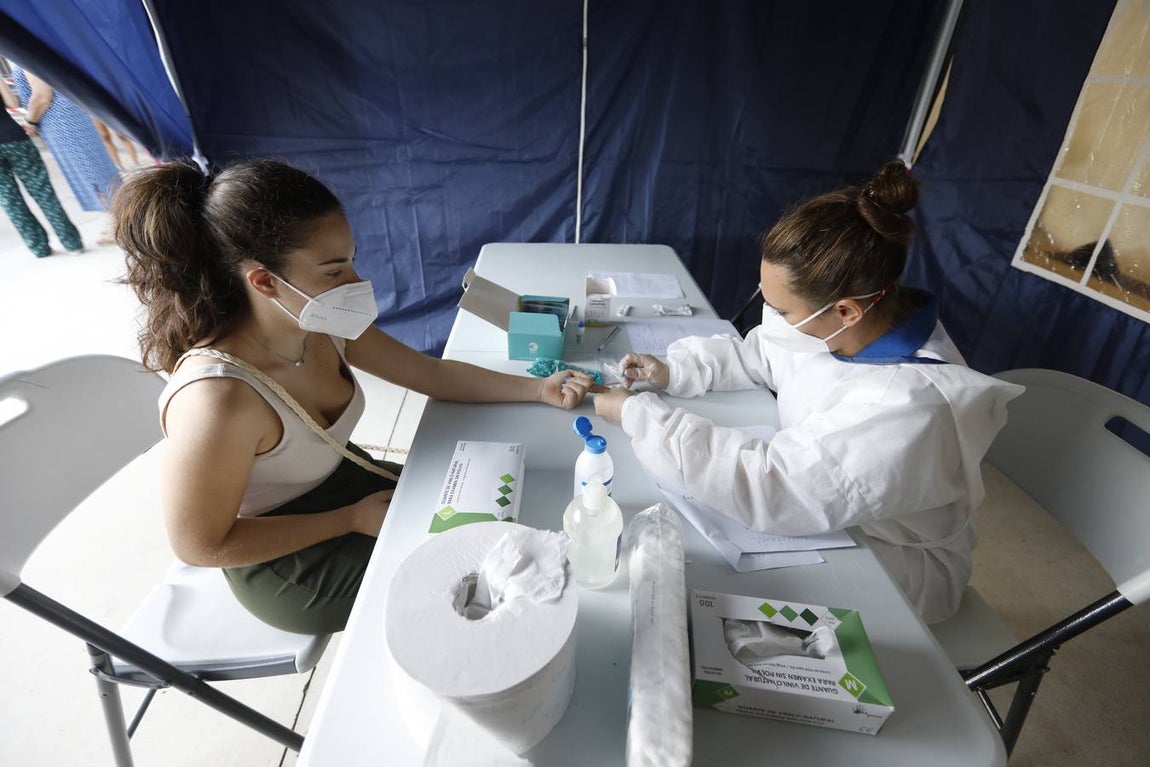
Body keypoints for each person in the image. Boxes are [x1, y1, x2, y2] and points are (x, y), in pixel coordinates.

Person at [113, 158, 594, 634]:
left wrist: (537, 389)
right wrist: (347, 520)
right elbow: (201, 544)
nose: (356, 283)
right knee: (480, 580)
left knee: (508, 519)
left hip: (350, 490)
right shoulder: (218, 399)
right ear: (263, 281)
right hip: (284, 557)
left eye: (352, 259)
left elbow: (430, 373)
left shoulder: (320, 322)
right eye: (334, 270)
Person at [592, 160, 1023, 625]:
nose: (771, 316)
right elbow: (765, 352)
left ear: (846, 311)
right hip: (833, 511)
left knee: (698, 587)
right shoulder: (839, 320)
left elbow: (773, 486)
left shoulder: (908, 404)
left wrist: (640, 416)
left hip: (893, 561)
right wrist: (675, 370)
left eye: (780, 307)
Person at [12, 66, 120, 224]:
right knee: (96, 169)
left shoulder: (20, 53)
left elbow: (42, 96)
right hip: (64, 119)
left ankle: (119, 221)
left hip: (61, 123)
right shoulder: (29, 49)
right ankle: (117, 218)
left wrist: (30, 121)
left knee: (91, 174)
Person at [0, 77, 84, 257]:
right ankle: (72, 243)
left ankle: (38, 248)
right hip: (14, 139)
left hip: (12, 141)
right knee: (43, 192)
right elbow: (12, 102)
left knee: (10, 201)